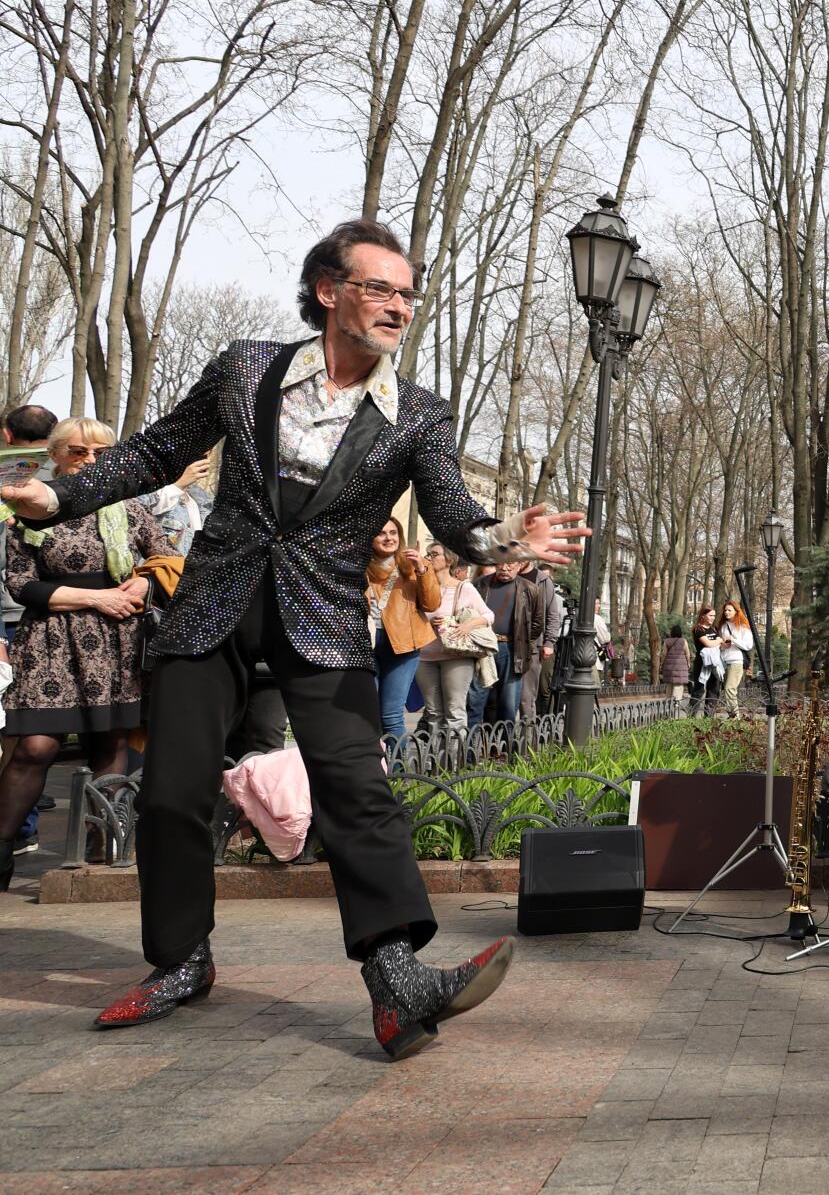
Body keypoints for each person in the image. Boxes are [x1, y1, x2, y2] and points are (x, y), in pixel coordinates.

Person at [0, 218, 588, 1052]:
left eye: (408, 293)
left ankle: (395, 976)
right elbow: (162, 449)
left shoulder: (417, 415)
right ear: (328, 290)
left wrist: (503, 539)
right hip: (214, 599)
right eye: (380, 287)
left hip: (321, 616)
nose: (399, 306)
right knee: (171, 790)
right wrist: (60, 501)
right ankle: (179, 959)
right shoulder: (248, 368)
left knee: (356, 785)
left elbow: (455, 513)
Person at [0, 417, 171, 891]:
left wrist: (145, 581)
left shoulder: (131, 509)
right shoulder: (32, 507)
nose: (89, 460)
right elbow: (20, 583)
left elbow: (168, 561)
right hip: (52, 639)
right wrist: (97, 598)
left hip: (118, 643)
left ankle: (102, 851)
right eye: (77, 451)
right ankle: (1, 849)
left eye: (100, 451)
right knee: (35, 746)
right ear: (54, 454)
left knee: (111, 745)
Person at [0, 402, 56, 856]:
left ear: (6, 434)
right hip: (21, 620)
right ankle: (19, 829)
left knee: (21, 730)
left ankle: (19, 828)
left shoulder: (57, 487)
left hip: (24, 619)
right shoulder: (55, 485)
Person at [366, 516, 440, 742]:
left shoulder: (414, 566)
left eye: (393, 533)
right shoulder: (359, 566)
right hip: (366, 644)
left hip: (403, 647)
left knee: (390, 715)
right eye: (382, 533)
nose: (389, 538)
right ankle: (374, 770)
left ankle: (400, 774)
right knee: (368, 714)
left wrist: (421, 569)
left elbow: (431, 604)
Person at [415, 547, 492, 744]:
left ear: (449, 560)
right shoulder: (421, 586)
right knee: (432, 712)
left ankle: (454, 765)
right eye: (428, 554)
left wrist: (465, 625)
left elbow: (488, 616)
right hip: (425, 656)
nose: (429, 558)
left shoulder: (463, 588)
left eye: (434, 554)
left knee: (454, 711)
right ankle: (434, 763)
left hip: (456, 656)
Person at [479, 560, 547, 731]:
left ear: (519, 566)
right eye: (501, 564)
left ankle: (505, 746)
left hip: (511, 649)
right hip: (483, 648)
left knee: (508, 702)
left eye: (511, 564)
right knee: (483, 699)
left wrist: (520, 639)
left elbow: (538, 623)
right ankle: (485, 745)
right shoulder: (481, 584)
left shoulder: (530, 588)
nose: (505, 567)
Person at [136, 455, 211, 556]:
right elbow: (136, 513)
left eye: (205, 455)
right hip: (158, 570)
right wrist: (179, 483)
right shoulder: (152, 492)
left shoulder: (204, 503)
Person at [517, 564, 560, 722]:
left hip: (533, 645)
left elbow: (552, 615)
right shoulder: (506, 576)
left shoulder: (542, 580)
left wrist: (549, 642)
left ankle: (527, 740)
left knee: (527, 696)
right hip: (506, 644)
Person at [718, 600, 754, 713]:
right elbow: (721, 645)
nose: (726, 612)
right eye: (725, 610)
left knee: (730, 688)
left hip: (737, 661)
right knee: (727, 690)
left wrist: (733, 640)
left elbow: (748, 645)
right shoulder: (723, 626)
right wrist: (723, 645)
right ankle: (732, 715)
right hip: (724, 661)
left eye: (729, 610)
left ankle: (735, 716)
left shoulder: (743, 626)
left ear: (736, 611)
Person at [691, 605, 723, 714]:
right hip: (701, 663)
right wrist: (718, 641)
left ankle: (709, 716)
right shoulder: (698, 629)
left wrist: (720, 641)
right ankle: (691, 715)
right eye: (710, 615)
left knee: (714, 689)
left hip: (714, 662)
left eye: (714, 615)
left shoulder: (714, 629)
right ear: (703, 616)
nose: (713, 618)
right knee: (699, 689)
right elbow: (708, 643)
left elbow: (720, 642)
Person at [660, 624, 690, 705]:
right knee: (678, 684)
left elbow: (663, 654)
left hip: (669, 666)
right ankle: (676, 703)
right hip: (681, 666)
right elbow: (687, 653)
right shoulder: (683, 641)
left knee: (669, 684)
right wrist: (688, 662)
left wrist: (661, 663)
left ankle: (668, 702)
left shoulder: (667, 641)